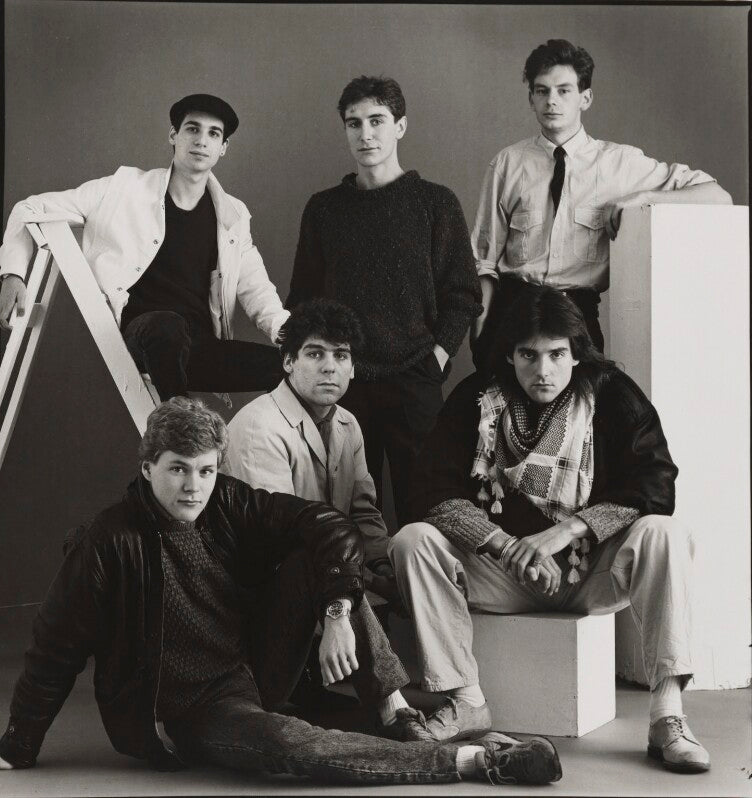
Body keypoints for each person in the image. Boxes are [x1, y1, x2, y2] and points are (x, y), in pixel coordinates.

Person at [0, 397, 562, 787]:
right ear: (147, 468)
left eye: (205, 470)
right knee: (287, 746)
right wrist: (17, 746)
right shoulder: (108, 542)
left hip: (254, 667)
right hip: (189, 712)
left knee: (322, 562)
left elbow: (328, 526)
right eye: (177, 469)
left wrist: (336, 612)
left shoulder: (226, 501)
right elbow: (54, 647)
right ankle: (473, 761)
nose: (194, 487)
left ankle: (395, 713)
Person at [389, 287, 710, 774]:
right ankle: (466, 699)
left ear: (576, 352)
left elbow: (655, 483)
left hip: (590, 573)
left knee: (664, 532)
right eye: (529, 355)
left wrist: (569, 531)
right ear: (509, 355)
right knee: (411, 540)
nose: (543, 370)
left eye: (557, 354)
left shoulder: (613, 394)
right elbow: (429, 489)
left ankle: (667, 717)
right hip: (504, 575)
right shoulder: (477, 397)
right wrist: (503, 544)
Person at [0, 93, 289, 399]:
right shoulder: (123, 187)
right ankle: (179, 416)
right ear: (174, 135)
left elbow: (257, 289)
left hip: (199, 350)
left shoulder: (233, 215)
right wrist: (13, 275)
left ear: (223, 147)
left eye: (213, 134)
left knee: (294, 366)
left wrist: (294, 338)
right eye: (192, 129)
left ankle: (183, 418)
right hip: (141, 339)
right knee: (167, 326)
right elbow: (28, 208)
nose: (202, 141)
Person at [287, 75, 482, 526]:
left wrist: (436, 357)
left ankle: (419, 577)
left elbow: (464, 293)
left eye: (377, 120)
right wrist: (319, 366)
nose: (365, 134)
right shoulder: (324, 208)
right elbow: (303, 300)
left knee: (427, 508)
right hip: (344, 379)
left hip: (415, 376)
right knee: (346, 512)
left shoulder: (435, 203)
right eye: (354, 123)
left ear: (400, 126)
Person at [470, 39, 731, 366]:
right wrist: (481, 333)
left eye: (564, 90)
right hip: (512, 313)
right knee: (496, 401)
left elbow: (717, 196)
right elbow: (483, 259)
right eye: (542, 91)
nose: (552, 101)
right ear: (531, 99)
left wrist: (645, 197)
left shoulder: (620, 164)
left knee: (594, 399)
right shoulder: (507, 163)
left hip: (576, 316)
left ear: (586, 98)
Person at [222, 298, 398, 601]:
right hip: (268, 584)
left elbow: (363, 513)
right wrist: (367, 580)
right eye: (315, 354)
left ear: (352, 369)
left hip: (330, 568)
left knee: (408, 561)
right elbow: (277, 538)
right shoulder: (259, 426)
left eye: (341, 355)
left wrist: (383, 567)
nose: (330, 367)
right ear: (288, 362)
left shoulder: (347, 423)